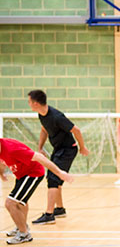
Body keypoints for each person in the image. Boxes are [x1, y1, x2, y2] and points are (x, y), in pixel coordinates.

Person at [27, 90, 88, 225]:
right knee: (56, 177)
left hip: (67, 149)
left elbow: (76, 130)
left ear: (36, 103)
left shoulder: (56, 116)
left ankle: (49, 215)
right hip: (59, 149)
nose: (29, 104)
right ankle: (59, 209)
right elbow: (44, 130)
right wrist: (40, 147)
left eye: (29, 101)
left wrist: (82, 147)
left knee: (53, 179)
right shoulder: (42, 114)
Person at [1, 138, 74, 244]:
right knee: (20, 202)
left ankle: (24, 234)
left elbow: (39, 157)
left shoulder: (12, 149)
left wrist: (59, 172)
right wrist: (1, 173)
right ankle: (21, 226)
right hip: (21, 174)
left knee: (10, 202)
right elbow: (2, 160)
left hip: (33, 173)